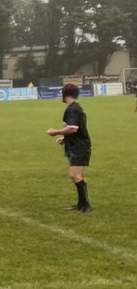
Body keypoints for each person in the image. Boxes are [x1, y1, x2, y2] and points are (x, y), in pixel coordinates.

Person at [46, 83, 92, 212]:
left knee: (74, 175)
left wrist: (55, 132)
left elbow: (73, 128)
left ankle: (85, 205)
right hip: (80, 145)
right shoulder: (77, 107)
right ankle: (82, 204)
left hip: (79, 147)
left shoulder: (72, 109)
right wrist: (65, 139)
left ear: (65, 94)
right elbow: (77, 129)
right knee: (79, 176)